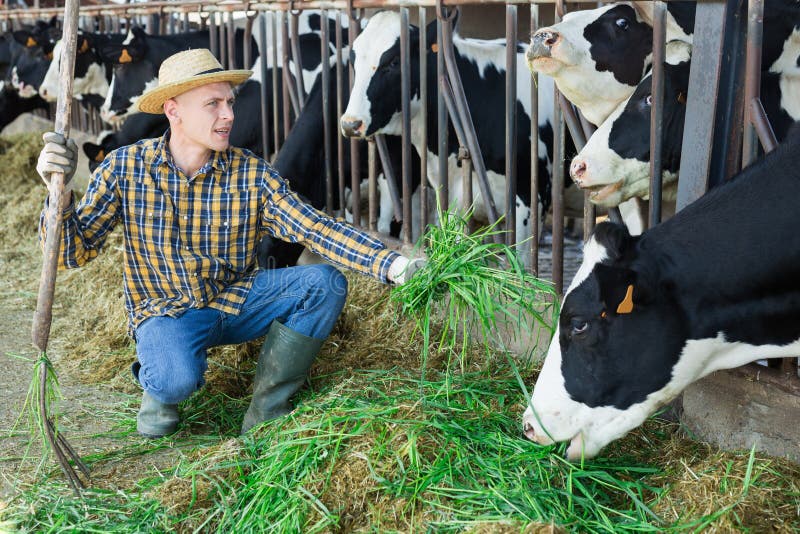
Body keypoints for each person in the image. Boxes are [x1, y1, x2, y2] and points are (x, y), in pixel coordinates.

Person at [36, 48, 424, 438]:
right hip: (166, 309)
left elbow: (314, 227)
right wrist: (61, 193)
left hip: (237, 300)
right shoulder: (124, 168)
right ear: (174, 111)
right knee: (176, 380)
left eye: (230, 102)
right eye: (213, 104)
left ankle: (267, 410)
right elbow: (73, 252)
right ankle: (161, 384)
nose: (229, 115)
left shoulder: (250, 172)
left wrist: (392, 264)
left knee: (323, 283)